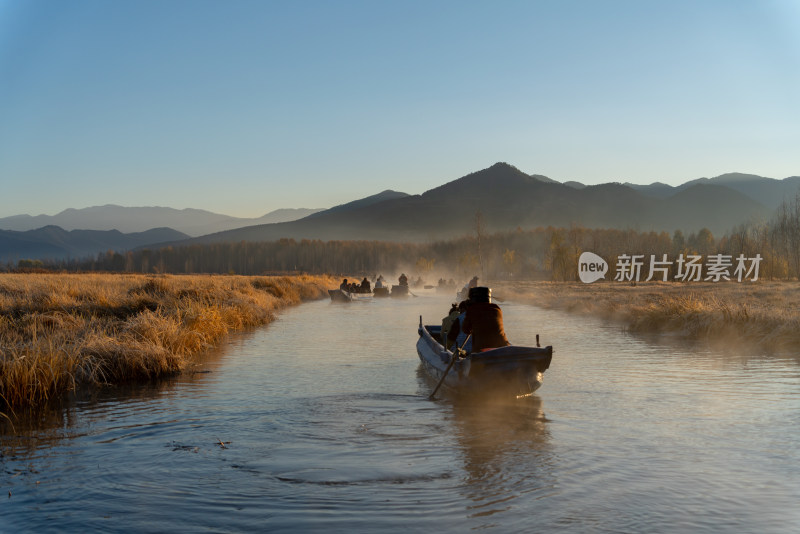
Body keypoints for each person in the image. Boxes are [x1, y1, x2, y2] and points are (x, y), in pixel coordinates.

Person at [461, 287, 510, 353]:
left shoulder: (472, 309)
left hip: (482, 351)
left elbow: (466, 330)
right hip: (503, 348)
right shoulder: (497, 309)